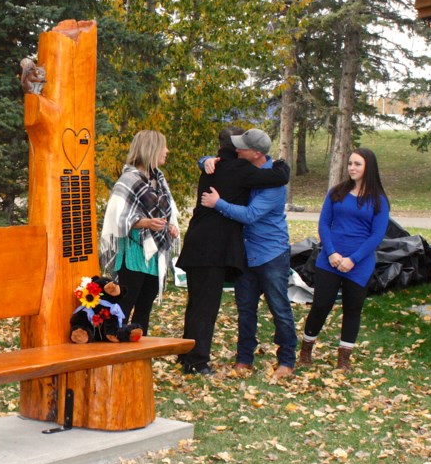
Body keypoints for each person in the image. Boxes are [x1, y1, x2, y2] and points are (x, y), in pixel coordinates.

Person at [176, 127, 290, 376]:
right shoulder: (239, 169)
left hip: (198, 242)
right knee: (206, 307)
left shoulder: (213, 166)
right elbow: (278, 178)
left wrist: (204, 160)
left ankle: (186, 353)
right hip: (213, 247)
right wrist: (282, 166)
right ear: (237, 149)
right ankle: (197, 361)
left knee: (196, 303)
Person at [298, 148, 390, 372]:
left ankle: (344, 359)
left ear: (368, 167)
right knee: (320, 305)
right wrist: (331, 253)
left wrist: (353, 259)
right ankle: (306, 350)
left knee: (352, 309)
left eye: (357, 164)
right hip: (330, 261)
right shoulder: (336, 192)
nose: (352, 168)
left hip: (359, 265)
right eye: (350, 164)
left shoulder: (379, 200)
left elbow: (376, 236)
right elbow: (324, 224)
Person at [99, 129, 179, 335]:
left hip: (154, 255)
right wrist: (144, 223)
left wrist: (169, 225)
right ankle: (113, 353)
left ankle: (137, 354)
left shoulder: (160, 180)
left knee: (145, 308)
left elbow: (166, 212)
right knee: (123, 307)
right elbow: (115, 218)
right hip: (134, 253)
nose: (167, 151)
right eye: (163, 146)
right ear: (150, 149)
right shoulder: (128, 180)